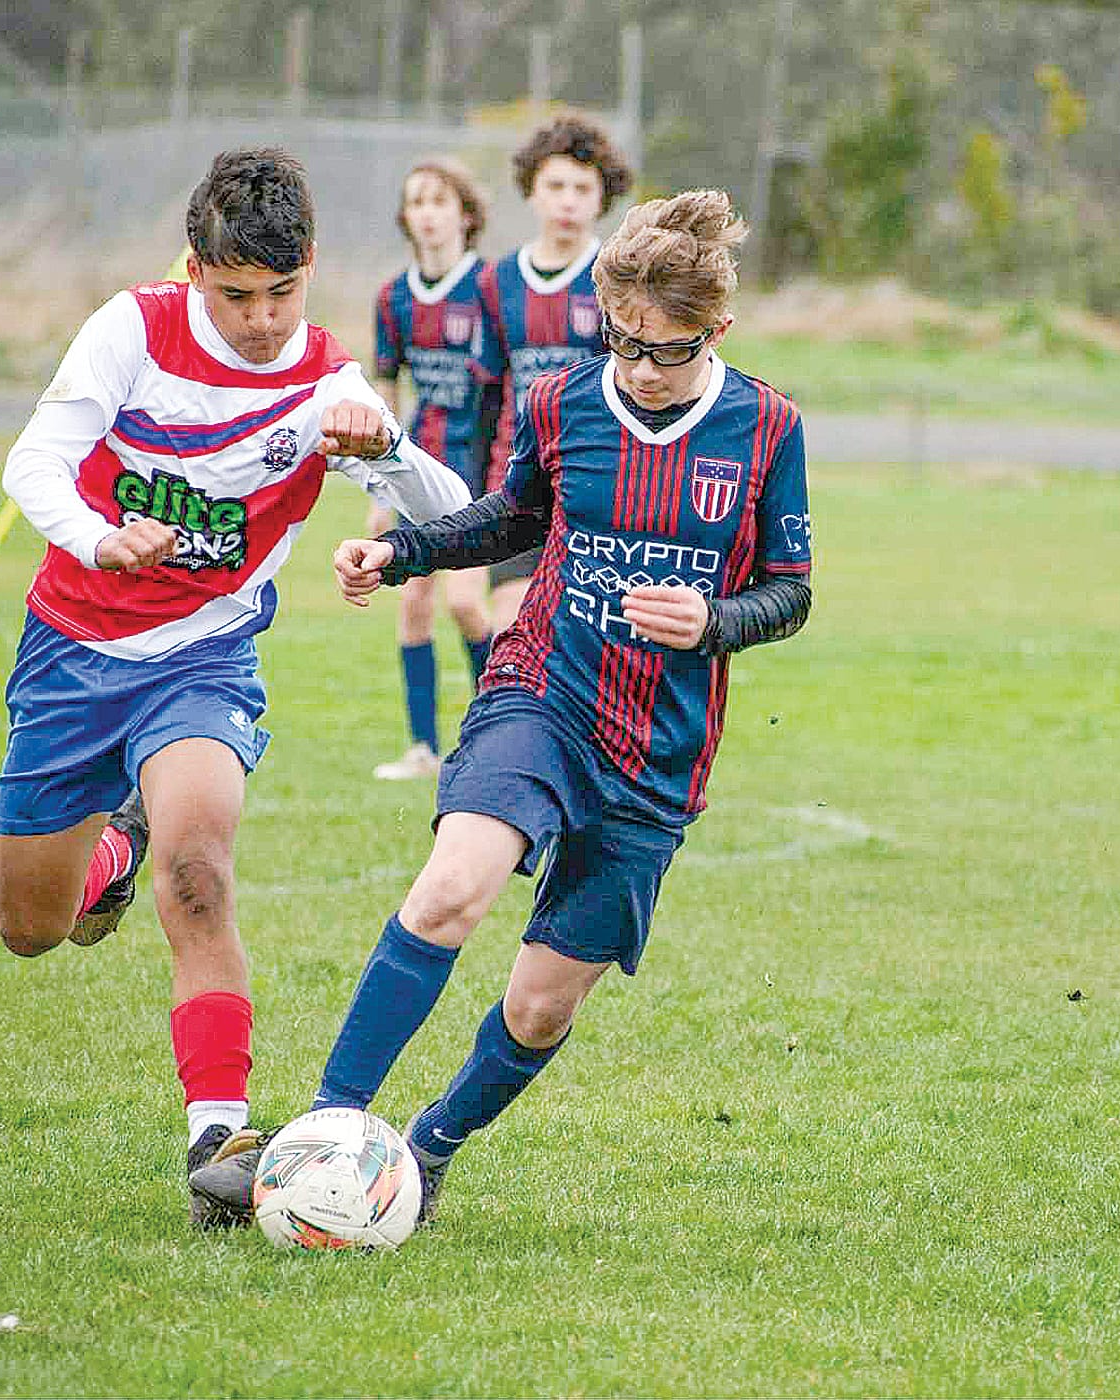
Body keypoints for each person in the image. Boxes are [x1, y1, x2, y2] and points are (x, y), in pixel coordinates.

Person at [188, 188, 813, 1228]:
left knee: (540, 1002)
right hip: (542, 689)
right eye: (624, 343)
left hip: (658, 749)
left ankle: (427, 1150)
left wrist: (711, 619)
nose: (642, 369)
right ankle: (318, 1138)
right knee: (450, 889)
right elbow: (507, 516)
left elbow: (792, 590)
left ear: (718, 332)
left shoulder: (768, 427)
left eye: (668, 351)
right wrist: (398, 551)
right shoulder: (565, 401)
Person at [0, 148, 472, 1225]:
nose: (262, 319)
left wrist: (387, 446)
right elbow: (36, 460)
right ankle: (110, 850)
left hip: (205, 660)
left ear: (312, 269)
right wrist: (100, 537)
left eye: (284, 293)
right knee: (34, 925)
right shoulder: (133, 329)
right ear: (197, 268)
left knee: (200, 865)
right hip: (74, 649)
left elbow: (456, 512)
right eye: (238, 294)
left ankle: (221, 1131)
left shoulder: (327, 383)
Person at [479, 113, 633, 635]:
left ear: (602, 197)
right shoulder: (497, 281)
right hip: (520, 481)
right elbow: (486, 394)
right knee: (508, 626)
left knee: (583, 639)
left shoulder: (619, 277)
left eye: (582, 188)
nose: (568, 199)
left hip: (599, 486)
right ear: (532, 192)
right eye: (556, 185)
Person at [368, 157, 496, 782]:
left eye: (439, 200)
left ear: (465, 215)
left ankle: (498, 731)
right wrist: (379, 488)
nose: (427, 212)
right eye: (416, 200)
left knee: (468, 606)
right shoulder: (392, 298)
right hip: (419, 467)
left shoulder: (492, 289)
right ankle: (424, 747)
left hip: (479, 470)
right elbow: (385, 393)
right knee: (413, 604)